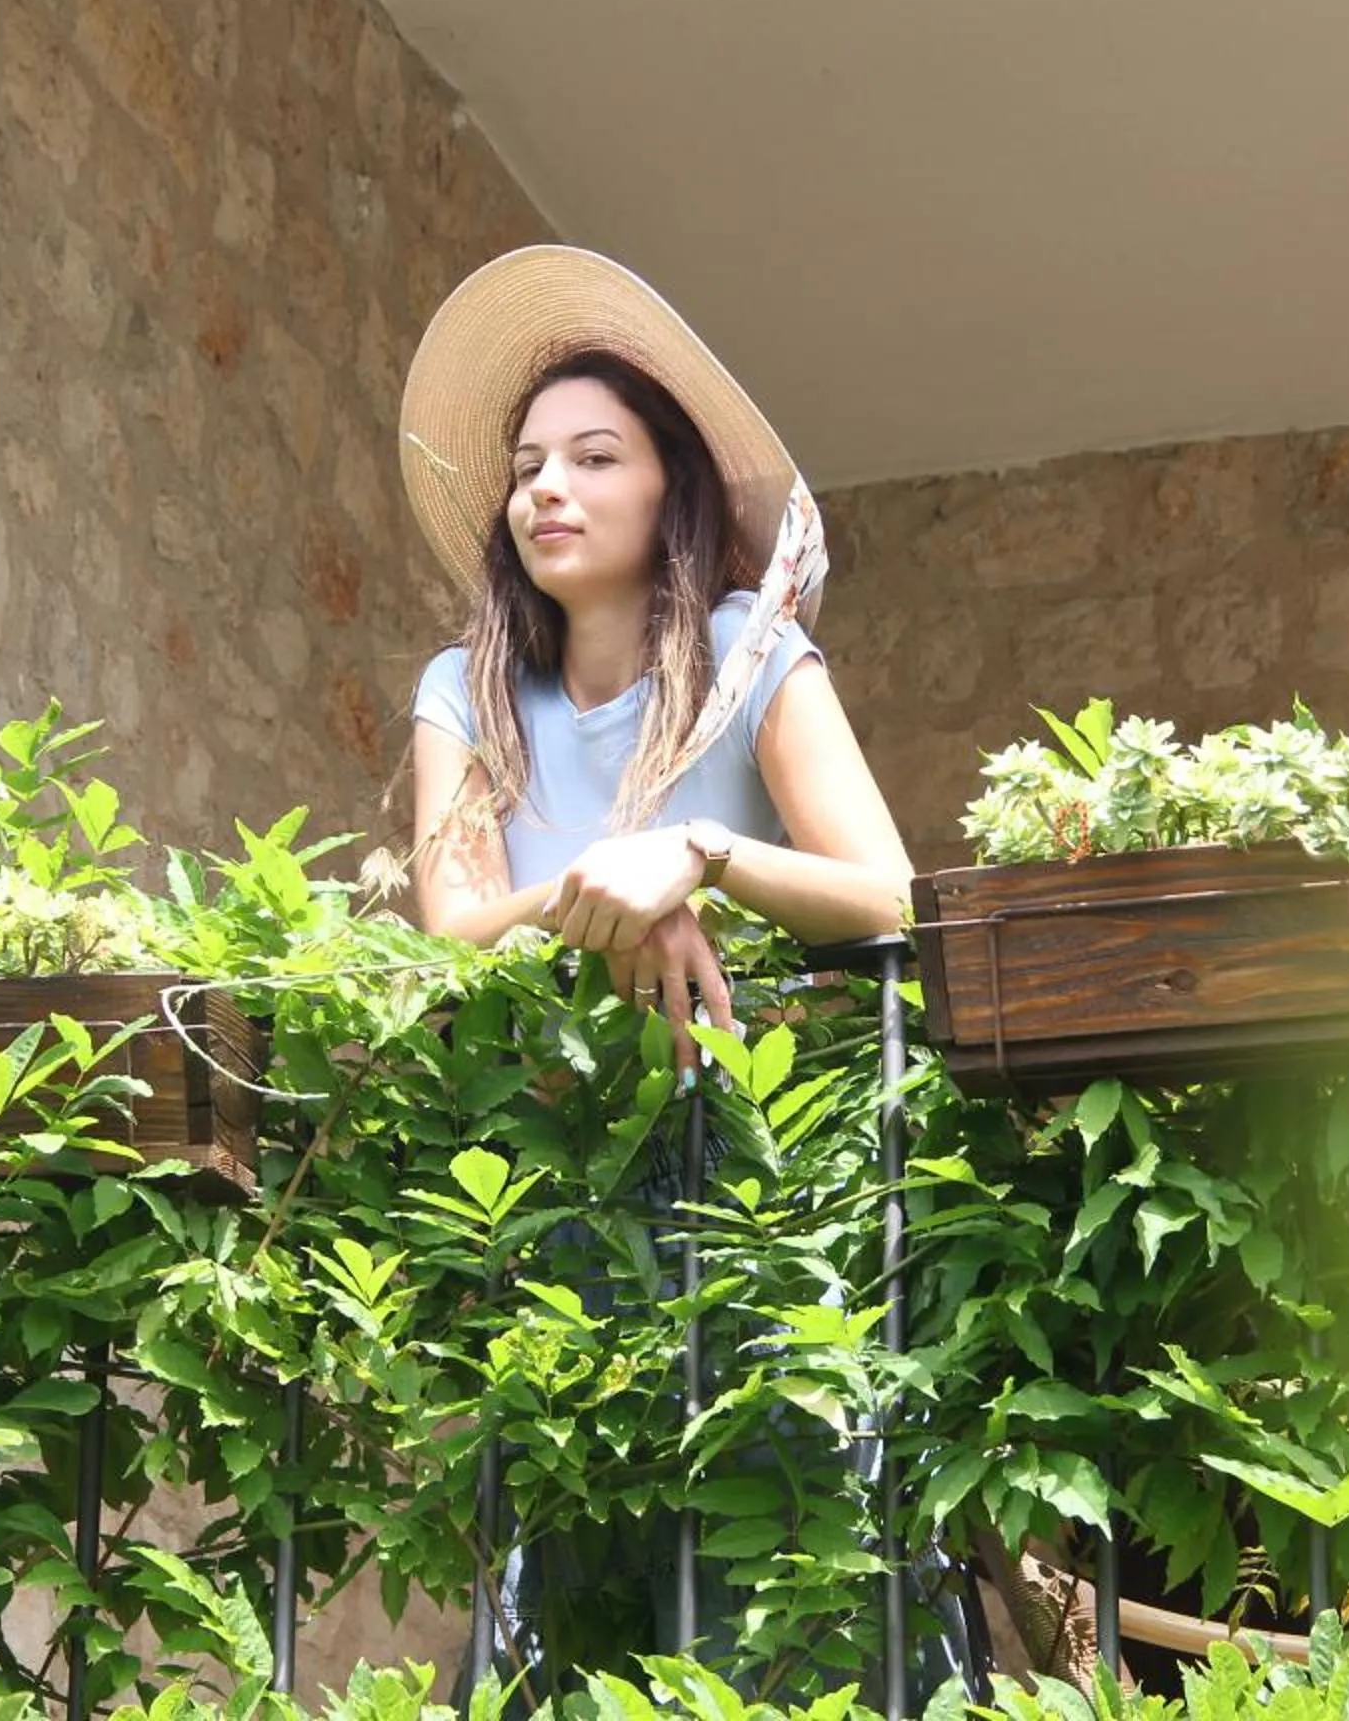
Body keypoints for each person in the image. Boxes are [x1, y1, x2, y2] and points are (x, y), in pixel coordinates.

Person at [396, 245, 974, 1700]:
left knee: (796, 1576)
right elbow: (451, 929)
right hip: (550, 1195)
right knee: (567, 1601)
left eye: (595, 457)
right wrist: (609, 890)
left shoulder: (751, 653)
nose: (547, 489)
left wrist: (699, 853)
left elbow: (892, 894)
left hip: (760, 1192)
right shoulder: (466, 692)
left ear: (671, 488)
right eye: (528, 465)